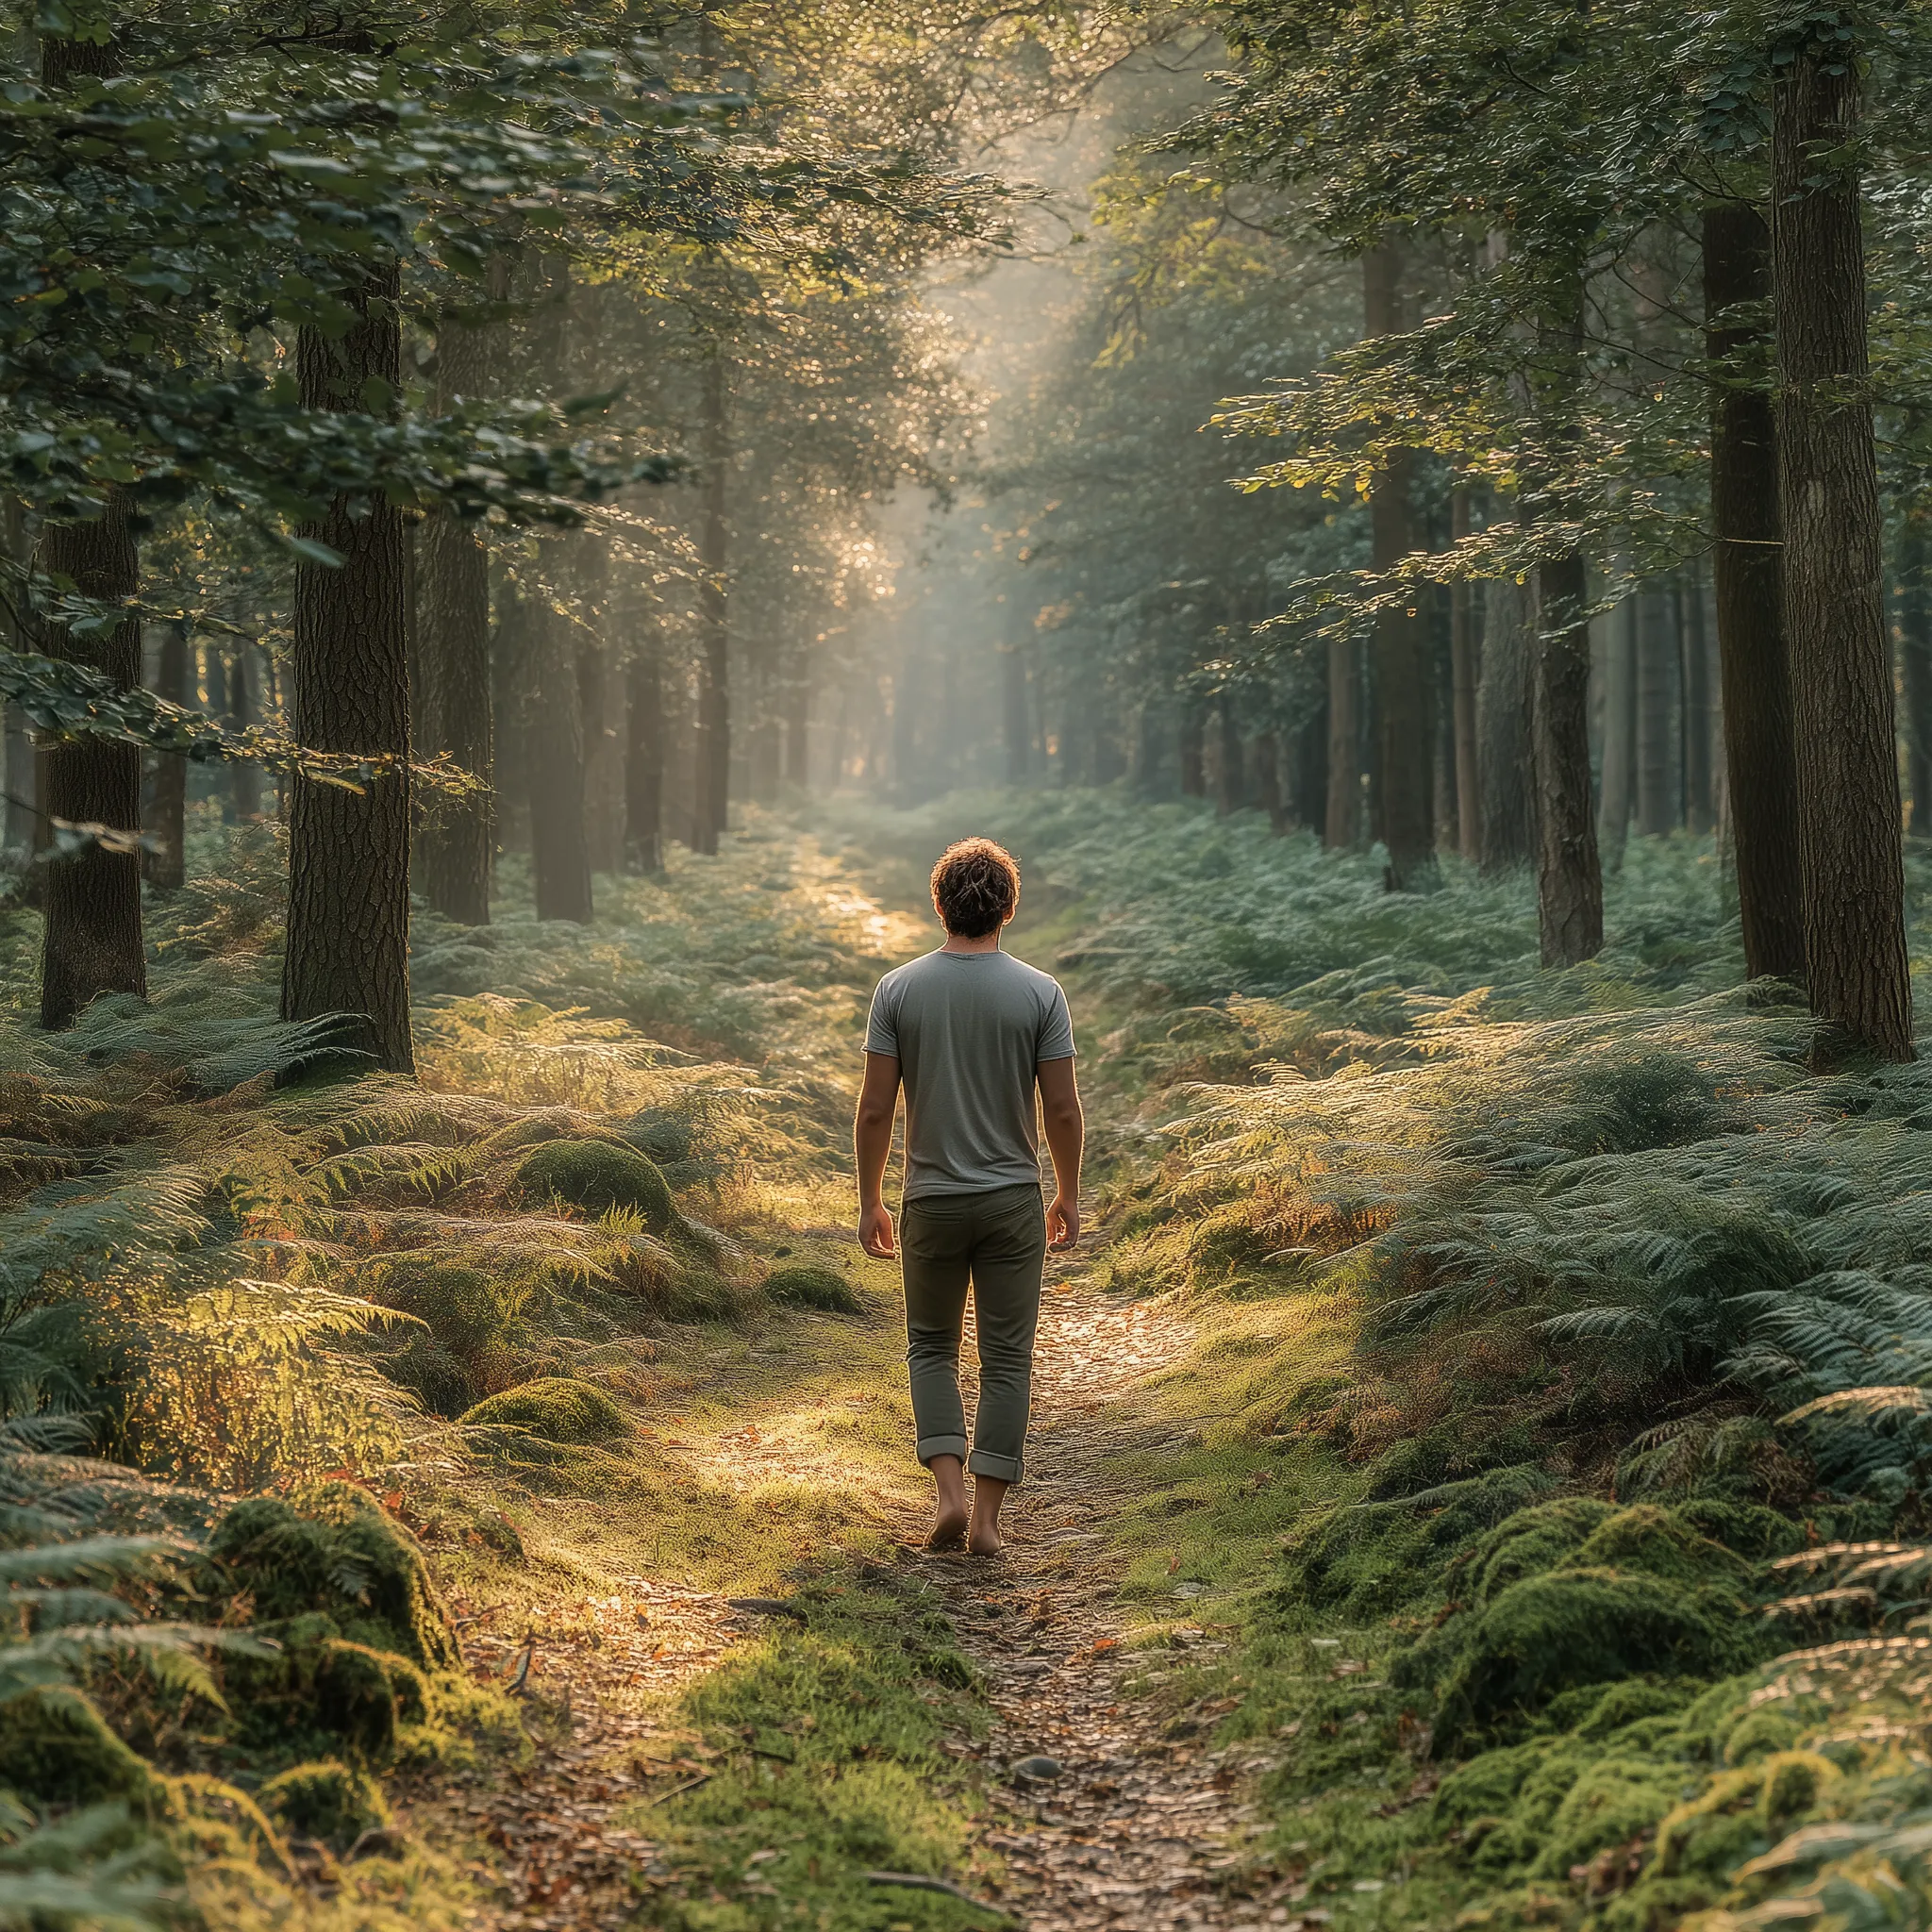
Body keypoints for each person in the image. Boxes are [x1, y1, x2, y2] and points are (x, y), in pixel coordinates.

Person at [854, 837, 1084, 1557]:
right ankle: (986, 1521)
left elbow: (874, 1111)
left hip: (931, 1199)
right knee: (1008, 1359)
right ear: (1008, 907)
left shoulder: (898, 990)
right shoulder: (1041, 993)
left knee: (930, 1346)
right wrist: (1069, 1193)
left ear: (939, 905)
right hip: (1014, 1198)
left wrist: (870, 1200)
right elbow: (1064, 1111)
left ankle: (947, 1496)